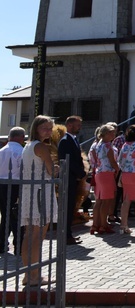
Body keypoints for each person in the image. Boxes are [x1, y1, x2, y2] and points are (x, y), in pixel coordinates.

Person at [20, 116, 58, 286]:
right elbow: (51, 171)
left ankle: (28, 274)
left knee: (30, 234)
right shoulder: (40, 146)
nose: (49, 131)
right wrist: (56, 168)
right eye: (45, 128)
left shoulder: (27, 146)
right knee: (38, 235)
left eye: (50, 128)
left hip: (30, 191)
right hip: (41, 192)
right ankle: (34, 275)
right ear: (36, 128)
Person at [57, 115, 85, 245]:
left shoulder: (73, 139)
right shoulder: (65, 141)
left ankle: (68, 234)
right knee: (66, 208)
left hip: (73, 179)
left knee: (70, 208)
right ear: (69, 125)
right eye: (77, 125)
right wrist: (80, 172)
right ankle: (65, 236)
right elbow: (67, 161)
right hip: (68, 179)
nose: (79, 127)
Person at [89, 122, 118, 234]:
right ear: (105, 134)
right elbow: (112, 161)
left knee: (99, 200)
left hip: (99, 173)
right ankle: (103, 224)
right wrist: (118, 169)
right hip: (106, 173)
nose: (113, 135)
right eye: (111, 133)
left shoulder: (98, 144)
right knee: (106, 201)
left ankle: (95, 224)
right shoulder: (107, 145)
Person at [0, 126, 25, 254]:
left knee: (5, 215)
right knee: (17, 216)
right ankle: (19, 245)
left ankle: (1, 243)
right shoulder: (22, 152)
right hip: (16, 185)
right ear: (20, 137)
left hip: (1, 185)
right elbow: (24, 171)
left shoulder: (1, 151)